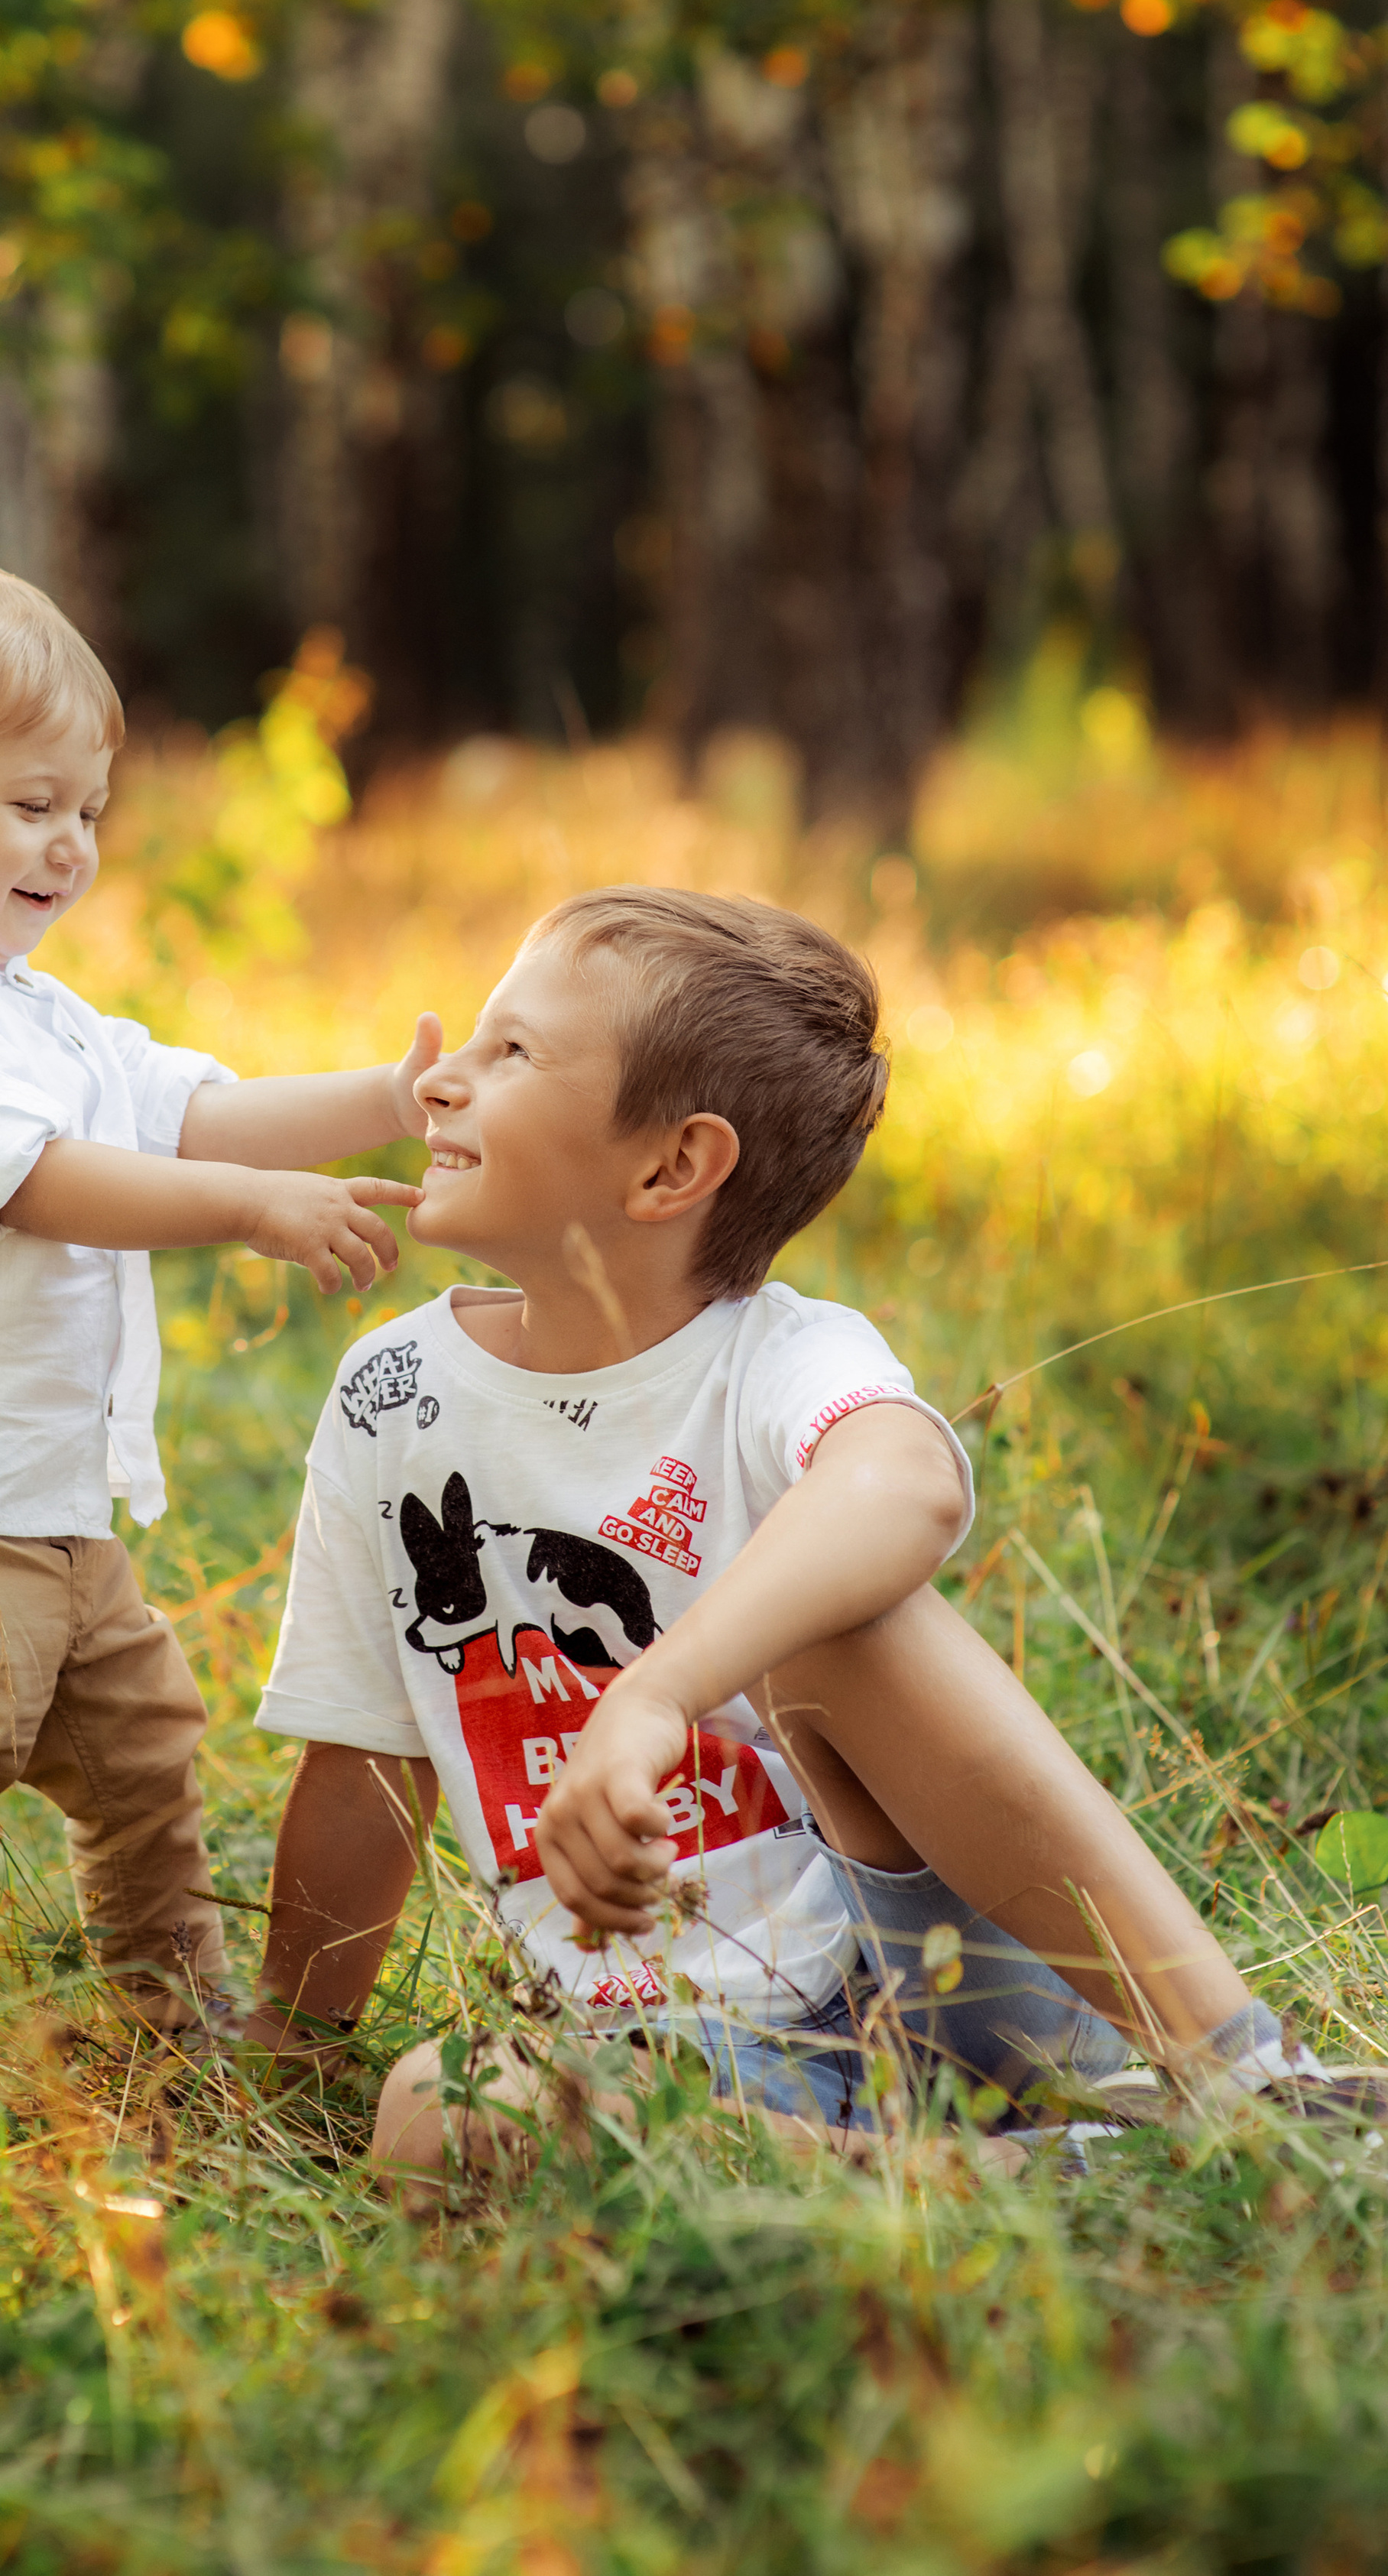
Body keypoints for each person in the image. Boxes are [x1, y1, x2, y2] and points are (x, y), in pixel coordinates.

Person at [243, 884, 1341, 2194]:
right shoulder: (393, 1397)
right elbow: (365, 1771)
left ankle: (1254, 2094)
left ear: (670, 1168)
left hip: (949, 1980)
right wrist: (287, 2050)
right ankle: (1048, 2185)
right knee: (441, 2112)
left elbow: (909, 1485)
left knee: (845, 1626)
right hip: (678, 2054)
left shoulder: (778, 1357)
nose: (442, 1082)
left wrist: (655, 1693)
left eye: (513, 1052)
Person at [0, 553, 431, 2052]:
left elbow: (193, 1112)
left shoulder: (34, 1006)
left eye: (86, 811)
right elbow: (41, 1181)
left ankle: (165, 2023)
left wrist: (385, 1095)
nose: (69, 845)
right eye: (30, 803)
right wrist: (252, 1216)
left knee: (144, 1758)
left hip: (52, 1523)